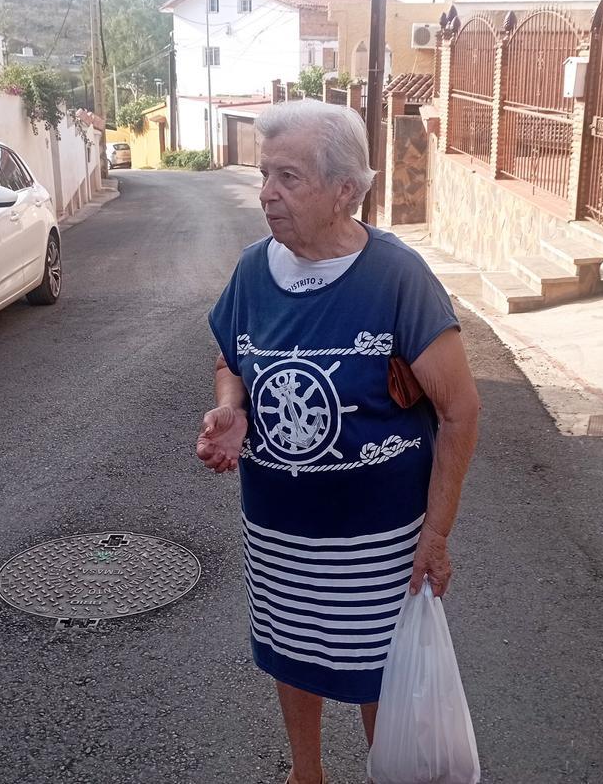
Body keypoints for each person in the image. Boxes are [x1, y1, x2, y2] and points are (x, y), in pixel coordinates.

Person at [196, 99, 481, 784]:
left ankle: (392, 773)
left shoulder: (396, 276)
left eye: (288, 176)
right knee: (293, 655)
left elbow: (460, 409)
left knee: (381, 670)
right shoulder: (252, 270)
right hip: (279, 530)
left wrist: (435, 535)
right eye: (266, 174)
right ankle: (307, 774)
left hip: (377, 540)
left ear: (345, 190)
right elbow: (230, 358)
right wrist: (230, 407)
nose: (267, 192)